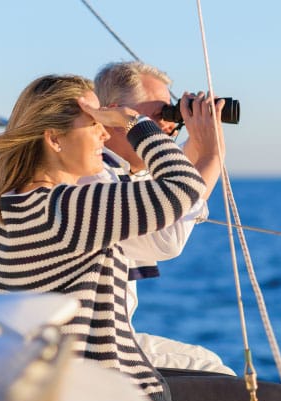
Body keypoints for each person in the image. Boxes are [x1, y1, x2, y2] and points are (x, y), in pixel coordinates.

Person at [0, 74, 281, 401]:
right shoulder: (72, 208)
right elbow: (182, 190)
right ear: (53, 140)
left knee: (226, 385)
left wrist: (18, 152)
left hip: (59, 394)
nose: (106, 136)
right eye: (95, 124)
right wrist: (134, 123)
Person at [90, 61, 232, 373]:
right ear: (116, 117)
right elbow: (167, 240)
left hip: (100, 337)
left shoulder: (122, 173)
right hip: (88, 347)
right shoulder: (94, 178)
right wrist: (212, 156)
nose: (168, 127)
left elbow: (169, 186)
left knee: (213, 364)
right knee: (217, 375)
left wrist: (195, 140)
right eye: (158, 117)